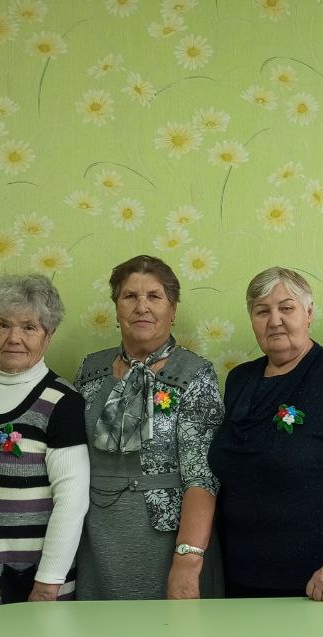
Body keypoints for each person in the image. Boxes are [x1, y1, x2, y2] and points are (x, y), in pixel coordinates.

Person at [208, 267, 323, 601]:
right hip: (243, 576)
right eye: (262, 311)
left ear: (308, 313)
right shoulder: (239, 380)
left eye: (286, 308)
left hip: (320, 582)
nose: (274, 320)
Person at [74, 255, 224, 600]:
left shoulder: (195, 373)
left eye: (154, 296)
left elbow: (202, 476)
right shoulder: (90, 370)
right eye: (130, 296)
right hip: (98, 536)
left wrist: (187, 561)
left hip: (169, 541)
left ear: (173, 309)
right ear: (117, 308)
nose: (141, 307)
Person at [0, 274, 88, 612]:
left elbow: (72, 501)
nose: (14, 338)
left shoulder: (62, 402)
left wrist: (48, 583)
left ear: (49, 336)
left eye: (29, 327)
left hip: (29, 579)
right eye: (3, 325)